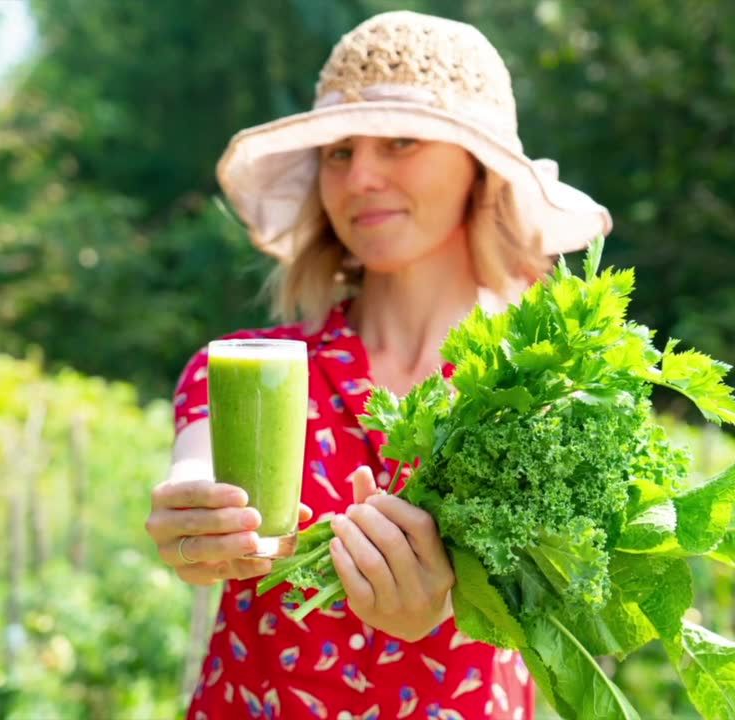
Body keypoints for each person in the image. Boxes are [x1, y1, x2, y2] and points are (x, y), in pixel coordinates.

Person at [145, 10, 612, 719]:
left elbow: (566, 605)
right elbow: (198, 466)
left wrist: (452, 605)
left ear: (479, 171)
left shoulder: (542, 394)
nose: (359, 176)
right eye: (338, 152)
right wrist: (194, 521)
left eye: (401, 141)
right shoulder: (254, 365)